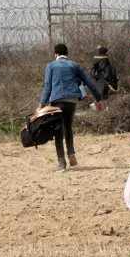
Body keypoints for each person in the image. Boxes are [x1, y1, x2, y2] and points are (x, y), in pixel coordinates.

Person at [40, 44, 102, 172]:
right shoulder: (74, 65)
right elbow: (89, 82)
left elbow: (47, 86)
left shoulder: (50, 66)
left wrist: (42, 104)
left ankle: (62, 162)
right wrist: (99, 99)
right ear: (67, 54)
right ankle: (71, 153)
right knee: (68, 126)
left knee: (58, 129)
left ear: (55, 54)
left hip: (57, 100)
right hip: (72, 100)